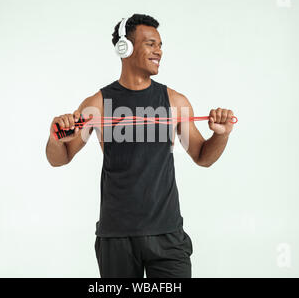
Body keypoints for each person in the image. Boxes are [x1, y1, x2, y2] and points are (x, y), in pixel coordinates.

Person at [45, 14, 235, 278]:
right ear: (125, 48)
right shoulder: (97, 104)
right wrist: (56, 136)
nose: (159, 51)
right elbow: (59, 158)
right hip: (117, 236)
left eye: (160, 45)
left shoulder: (175, 101)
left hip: (167, 234)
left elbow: (203, 156)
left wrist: (221, 135)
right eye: (150, 44)